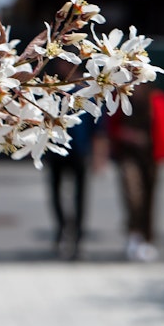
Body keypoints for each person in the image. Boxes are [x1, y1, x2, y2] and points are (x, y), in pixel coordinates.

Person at [108, 82, 164, 262]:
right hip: (128, 155)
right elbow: (112, 123)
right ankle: (134, 234)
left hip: (150, 155)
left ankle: (147, 238)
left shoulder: (157, 99)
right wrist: (127, 136)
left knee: (150, 196)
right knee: (133, 195)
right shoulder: (121, 95)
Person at [47, 109, 104, 260]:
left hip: (80, 151)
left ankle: (78, 238)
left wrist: (98, 156)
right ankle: (62, 229)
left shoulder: (88, 95)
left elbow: (98, 127)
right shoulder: (56, 91)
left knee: (81, 196)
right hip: (56, 151)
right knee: (56, 192)